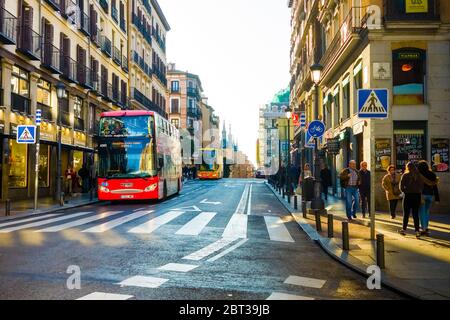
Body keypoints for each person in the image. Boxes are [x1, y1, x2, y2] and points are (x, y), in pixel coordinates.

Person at [399, 162, 424, 238]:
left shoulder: (405, 175)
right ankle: (417, 231)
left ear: (407, 167)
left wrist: (405, 191)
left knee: (406, 214)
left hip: (408, 196)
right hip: (417, 196)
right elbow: (422, 186)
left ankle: (403, 229)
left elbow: (401, 186)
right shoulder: (419, 176)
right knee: (415, 214)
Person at [417, 160, 440, 236]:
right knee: (426, 211)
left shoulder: (418, 174)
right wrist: (437, 198)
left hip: (422, 195)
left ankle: (423, 228)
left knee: (421, 212)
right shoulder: (432, 174)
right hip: (430, 195)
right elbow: (435, 186)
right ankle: (426, 227)